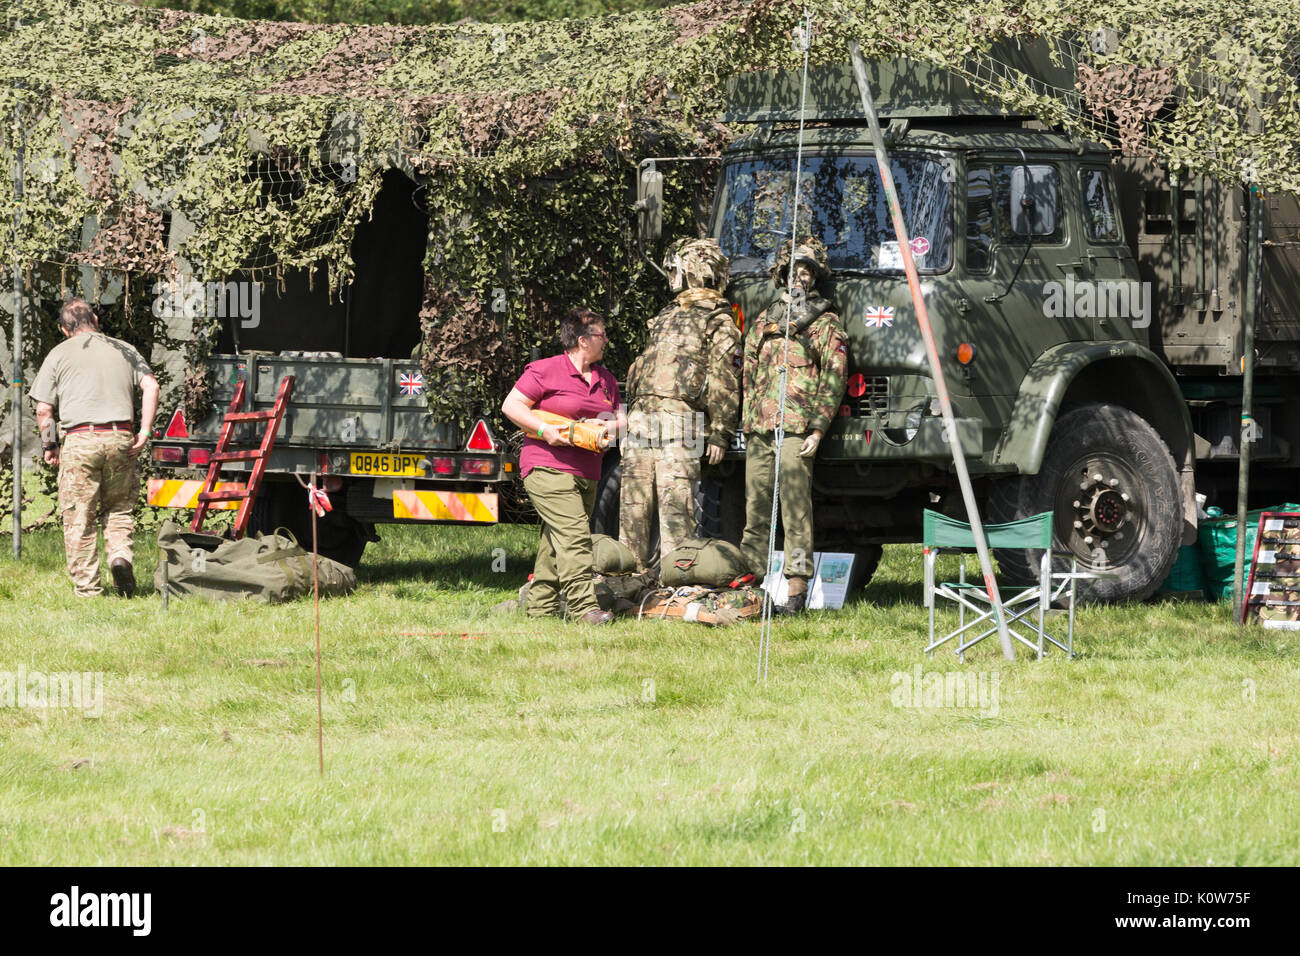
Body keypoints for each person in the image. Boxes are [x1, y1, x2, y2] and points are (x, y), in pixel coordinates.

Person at [739, 237, 848, 613]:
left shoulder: (823, 320)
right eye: (793, 271)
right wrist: (748, 422)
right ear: (781, 274)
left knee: (795, 509)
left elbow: (834, 375)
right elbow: (749, 373)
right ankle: (748, 586)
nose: (799, 278)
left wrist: (818, 429)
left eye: (806, 271)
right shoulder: (764, 320)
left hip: (798, 427)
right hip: (761, 428)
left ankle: (796, 590)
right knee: (754, 507)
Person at [620, 237, 740, 573]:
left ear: (697, 271)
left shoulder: (718, 319)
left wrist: (720, 432)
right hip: (642, 417)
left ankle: (674, 580)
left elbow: (724, 377)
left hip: (681, 418)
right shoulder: (668, 314)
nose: (673, 274)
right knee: (633, 503)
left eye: (678, 268)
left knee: (677, 505)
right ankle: (629, 578)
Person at [502, 308, 626, 625]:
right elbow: (512, 405)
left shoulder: (606, 379)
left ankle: (540, 608)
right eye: (602, 334)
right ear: (583, 340)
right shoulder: (545, 370)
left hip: (588, 473)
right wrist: (546, 431)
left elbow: (621, 419)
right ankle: (584, 608)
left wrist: (607, 429)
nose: (607, 340)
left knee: (555, 541)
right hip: (546, 466)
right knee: (575, 536)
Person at [30, 298, 160, 597]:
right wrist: (143, 430)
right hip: (120, 437)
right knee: (119, 507)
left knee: (79, 515)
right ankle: (120, 558)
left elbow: (43, 410)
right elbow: (151, 386)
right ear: (96, 322)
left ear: (64, 329)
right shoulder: (124, 349)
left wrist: (50, 445)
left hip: (80, 439)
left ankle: (88, 590)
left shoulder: (58, 354)